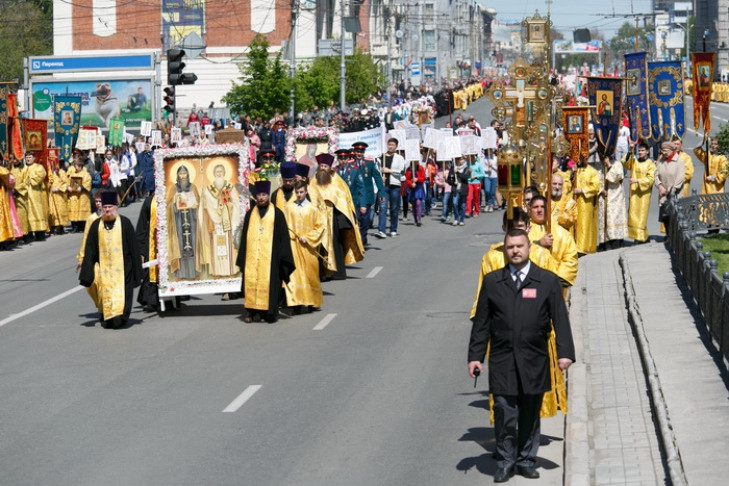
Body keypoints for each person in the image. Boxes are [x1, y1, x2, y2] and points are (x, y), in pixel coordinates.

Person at [468, 228, 575, 483]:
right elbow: (481, 322)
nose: (515, 251)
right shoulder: (493, 282)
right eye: (510, 247)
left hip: (534, 358)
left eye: (519, 246)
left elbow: (560, 319)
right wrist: (475, 357)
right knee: (505, 412)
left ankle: (526, 459)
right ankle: (506, 461)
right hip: (503, 358)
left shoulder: (547, 281)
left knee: (529, 411)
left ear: (529, 248)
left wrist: (565, 353)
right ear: (505, 251)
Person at [79, 191, 142, 329]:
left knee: (123, 296)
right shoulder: (96, 225)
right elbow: (90, 250)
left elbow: (134, 248)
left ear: (116, 207)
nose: (107, 210)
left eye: (110, 207)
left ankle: (122, 317)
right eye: (105, 207)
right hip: (105, 270)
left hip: (124, 268)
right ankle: (106, 315)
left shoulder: (124, 223)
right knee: (105, 294)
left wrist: (138, 273)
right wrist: (87, 273)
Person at [236, 180, 295, 323]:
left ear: (268, 195)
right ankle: (251, 312)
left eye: (264, 195)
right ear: (256, 196)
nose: (261, 198)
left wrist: (282, 257)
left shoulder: (277, 214)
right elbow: (244, 238)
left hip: (271, 260)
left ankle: (266, 313)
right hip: (252, 258)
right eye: (259, 195)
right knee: (251, 282)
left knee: (269, 284)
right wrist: (243, 257)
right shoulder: (250, 214)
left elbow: (283, 239)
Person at [309, 153, 365, 280]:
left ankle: (337, 272)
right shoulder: (313, 180)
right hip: (317, 218)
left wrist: (342, 220)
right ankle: (321, 273)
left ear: (330, 167)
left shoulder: (337, 181)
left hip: (333, 218)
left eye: (325, 166)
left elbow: (343, 200)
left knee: (335, 244)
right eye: (321, 166)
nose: (323, 168)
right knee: (319, 245)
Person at [283, 181, 325, 314]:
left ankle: (313, 301)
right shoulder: (289, 207)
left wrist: (308, 237)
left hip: (308, 248)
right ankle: (296, 302)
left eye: (301, 192)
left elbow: (320, 227)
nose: (299, 195)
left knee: (309, 274)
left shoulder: (312, 209)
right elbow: (285, 225)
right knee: (295, 275)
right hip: (294, 245)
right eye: (297, 193)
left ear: (306, 192)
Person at [528, 196, 579, 292]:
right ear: (530, 210)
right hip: (530, 286)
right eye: (536, 207)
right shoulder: (524, 231)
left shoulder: (562, 233)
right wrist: (539, 244)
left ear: (548, 209)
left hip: (556, 287)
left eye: (542, 207)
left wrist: (559, 281)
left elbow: (571, 258)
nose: (539, 210)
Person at [200, 163, 241, 277]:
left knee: (228, 246)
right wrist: (209, 204)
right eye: (217, 172)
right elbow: (206, 204)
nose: (219, 174)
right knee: (216, 246)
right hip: (215, 221)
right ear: (214, 174)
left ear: (224, 173)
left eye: (221, 172)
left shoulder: (229, 186)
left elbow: (236, 202)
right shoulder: (209, 189)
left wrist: (231, 206)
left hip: (227, 219)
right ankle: (217, 271)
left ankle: (230, 270)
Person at [166, 164, 200, 280]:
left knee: (193, 246)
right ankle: (180, 274)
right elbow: (168, 205)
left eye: (184, 173)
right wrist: (174, 202)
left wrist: (195, 205)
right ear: (177, 176)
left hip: (191, 220)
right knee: (180, 246)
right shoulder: (173, 188)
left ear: (188, 175)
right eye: (181, 174)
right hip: (178, 221)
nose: (183, 176)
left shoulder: (193, 187)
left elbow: (199, 204)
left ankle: (194, 273)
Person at [353, 142, 385, 244]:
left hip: (367, 196)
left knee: (365, 220)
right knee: (356, 218)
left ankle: (363, 236)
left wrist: (382, 192)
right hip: (355, 196)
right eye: (358, 151)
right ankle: (358, 240)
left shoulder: (369, 163)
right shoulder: (350, 163)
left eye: (361, 151)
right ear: (354, 152)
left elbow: (377, 177)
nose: (359, 153)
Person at [623, 142, 655, 243]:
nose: (640, 152)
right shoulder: (635, 161)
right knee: (633, 216)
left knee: (641, 216)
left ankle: (641, 238)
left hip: (644, 194)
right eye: (639, 150)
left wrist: (637, 181)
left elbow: (651, 179)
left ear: (647, 151)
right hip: (634, 193)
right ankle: (638, 237)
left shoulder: (650, 164)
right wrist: (630, 150)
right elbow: (625, 162)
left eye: (642, 151)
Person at [597, 155, 628, 251]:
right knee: (604, 220)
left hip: (615, 199)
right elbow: (595, 181)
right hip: (603, 197)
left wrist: (609, 165)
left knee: (614, 221)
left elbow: (618, 176)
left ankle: (616, 244)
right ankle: (605, 243)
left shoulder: (617, 164)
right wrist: (600, 190)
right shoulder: (600, 166)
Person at [135, 192, 160, 311]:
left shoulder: (174, 197)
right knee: (151, 269)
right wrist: (139, 247)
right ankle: (151, 299)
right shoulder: (150, 201)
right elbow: (142, 226)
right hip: (152, 241)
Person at [378, 138, 406, 237]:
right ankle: (381, 230)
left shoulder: (400, 158)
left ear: (396, 146)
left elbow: (402, 171)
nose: (390, 146)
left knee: (394, 208)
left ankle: (393, 228)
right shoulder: (381, 157)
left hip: (395, 185)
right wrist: (381, 175)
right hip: (384, 186)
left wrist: (389, 171)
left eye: (393, 145)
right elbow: (377, 169)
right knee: (383, 207)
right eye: (389, 144)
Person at [573, 155, 601, 254]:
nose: (578, 160)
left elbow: (596, 187)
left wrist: (581, 190)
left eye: (580, 158)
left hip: (586, 204)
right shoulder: (574, 170)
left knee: (584, 225)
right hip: (573, 202)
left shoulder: (592, 171)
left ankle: (583, 248)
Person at [655, 141, 685, 231]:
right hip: (663, 195)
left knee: (674, 218)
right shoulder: (661, 161)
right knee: (665, 218)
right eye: (662, 150)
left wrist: (671, 190)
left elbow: (680, 178)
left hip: (674, 195)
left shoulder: (679, 162)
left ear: (672, 150)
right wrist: (660, 186)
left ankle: (674, 238)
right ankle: (668, 236)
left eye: (665, 150)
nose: (663, 153)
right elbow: (656, 175)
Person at [24, 152, 49, 240]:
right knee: (27, 214)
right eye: (26, 157)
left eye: (30, 157)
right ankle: (28, 235)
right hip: (25, 194)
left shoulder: (39, 167)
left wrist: (29, 178)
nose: (28, 159)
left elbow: (40, 177)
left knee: (37, 212)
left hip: (35, 194)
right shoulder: (23, 168)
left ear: (34, 158)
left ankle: (40, 234)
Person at [66, 153, 93, 233]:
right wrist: (68, 187)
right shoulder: (72, 174)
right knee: (73, 210)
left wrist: (81, 187)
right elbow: (68, 181)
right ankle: (74, 226)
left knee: (82, 210)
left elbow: (88, 183)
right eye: (75, 166)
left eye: (77, 166)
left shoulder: (86, 174)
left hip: (82, 195)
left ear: (80, 167)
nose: (75, 167)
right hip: (73, 196)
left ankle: (83, 226)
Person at [48, 161, 69, 235]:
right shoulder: (49, 173)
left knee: (60, 211)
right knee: (51, 211)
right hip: (51, 196)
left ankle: (60, 227)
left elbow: (67, 183)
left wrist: (58, 188)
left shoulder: (61, 172)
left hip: (59, 196)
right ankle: (52, 228)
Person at [405, 159, 426, 226]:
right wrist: (411, 184)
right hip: (412, 188)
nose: (416, 162)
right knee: (414, 204)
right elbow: (407, 180)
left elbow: (423, 178)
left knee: (418, 202)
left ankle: (419, 219)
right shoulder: (408, 169)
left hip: (419, 187)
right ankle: (415, 219)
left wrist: (417, 179)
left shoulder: (421, 168)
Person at [451, 156, 470, 226]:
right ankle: (456, 218)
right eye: (459, 159)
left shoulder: (467, 168)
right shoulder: (453, 168)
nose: (461, 161)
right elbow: (450, 179)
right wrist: (453, 181)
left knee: (463, 205)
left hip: (463, 189)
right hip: (456, 189)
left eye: (462, 159)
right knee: (454, 203)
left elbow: (465, 177)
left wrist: (457, 173)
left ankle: (462, 220)